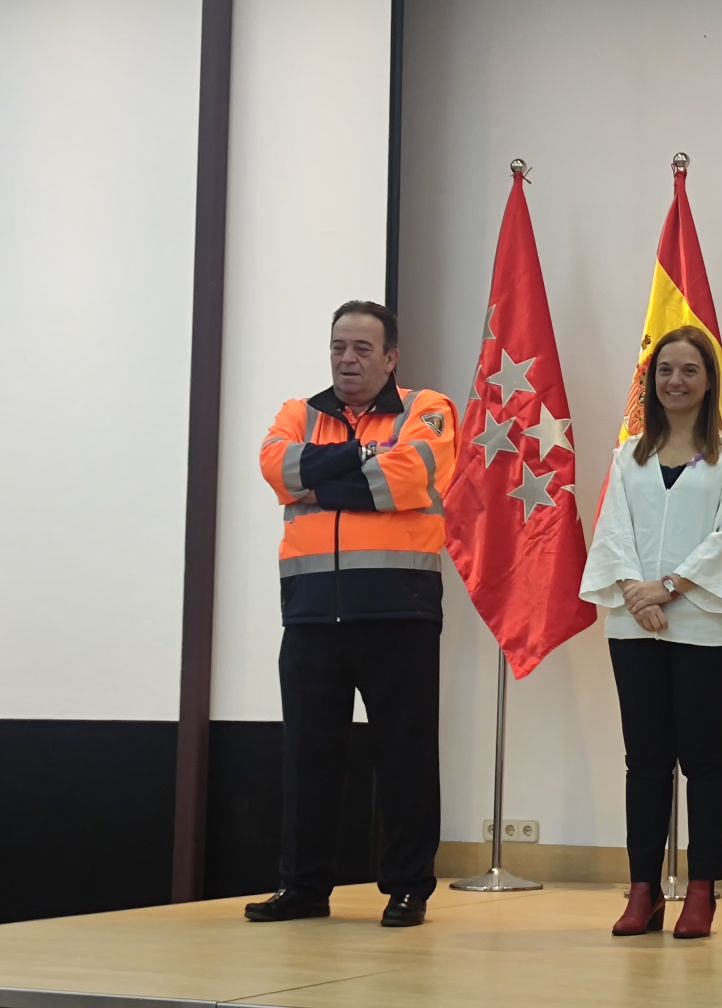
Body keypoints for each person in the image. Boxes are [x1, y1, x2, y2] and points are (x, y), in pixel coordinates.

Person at [244, 300, 458, 928]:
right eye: (339, 346)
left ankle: (408, 887)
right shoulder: (297, 413)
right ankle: (304, 887)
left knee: (406, 756)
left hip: (400, 612)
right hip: (311, 615)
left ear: (391, 358)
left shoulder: (428, 409)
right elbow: (277, 468)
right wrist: (363, 460)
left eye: (363, 348)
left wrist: (318, 475)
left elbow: (410, 478)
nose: (347, 359)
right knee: (308, 757)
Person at [579, 326, 722, 940]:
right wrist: (636, 590)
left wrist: (671, 588)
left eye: (688, 371)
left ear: (708, 381)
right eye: (664, 372)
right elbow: (612, 531)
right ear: (651, 381)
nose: (675, 382)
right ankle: (643, 891)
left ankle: (703, 890)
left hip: (705, 627)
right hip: (635, 627)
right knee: (646, 762)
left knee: (705, 761)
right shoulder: (628, 455)